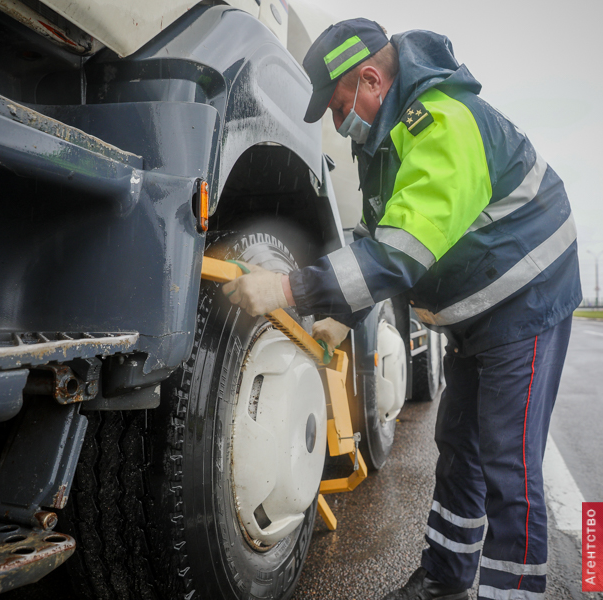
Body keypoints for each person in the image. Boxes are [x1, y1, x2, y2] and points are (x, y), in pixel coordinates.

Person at [223, 18, 581, 600]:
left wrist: (287, 290)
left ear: (370, 79)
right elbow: (380, 244)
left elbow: (399, 255)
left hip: (525, 300)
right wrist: (348, 315)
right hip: (479, 313)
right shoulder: (389, 146)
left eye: (339, 109)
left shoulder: (440, 123)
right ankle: (444, 581)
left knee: (507, 466)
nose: (339, 125)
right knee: (459, 445)